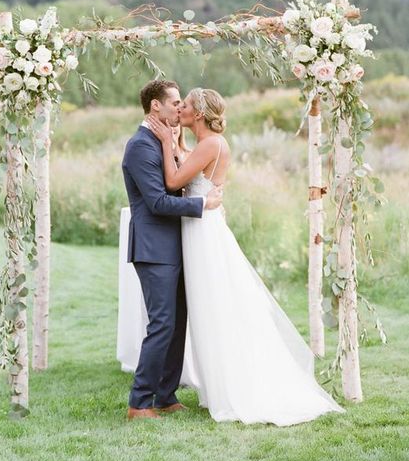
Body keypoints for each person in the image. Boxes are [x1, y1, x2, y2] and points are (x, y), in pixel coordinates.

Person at [146, 87, 344, 426]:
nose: (181, 109)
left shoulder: (211, 144)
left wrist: (167, 143)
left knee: (214, 305)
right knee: (209, 304)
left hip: (203, 232)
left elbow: (173, 179)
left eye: (187, 105)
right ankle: (216, 382)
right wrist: (177, 145)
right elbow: (187, 168)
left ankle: (234, 386)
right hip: (201, 227)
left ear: (200, 113)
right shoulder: (208, 144)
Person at [121, 80, 223, 420]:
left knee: (177, 323)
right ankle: (139, 403)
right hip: (154, 249)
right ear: (156, 107)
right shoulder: (140, 146)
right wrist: (202, 204)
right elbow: (158, 201)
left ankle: (165, 395)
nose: (179, 109)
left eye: (183, 104)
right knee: (162, 323)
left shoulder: (162, 142)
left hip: (177, 246)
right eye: (174, 103)